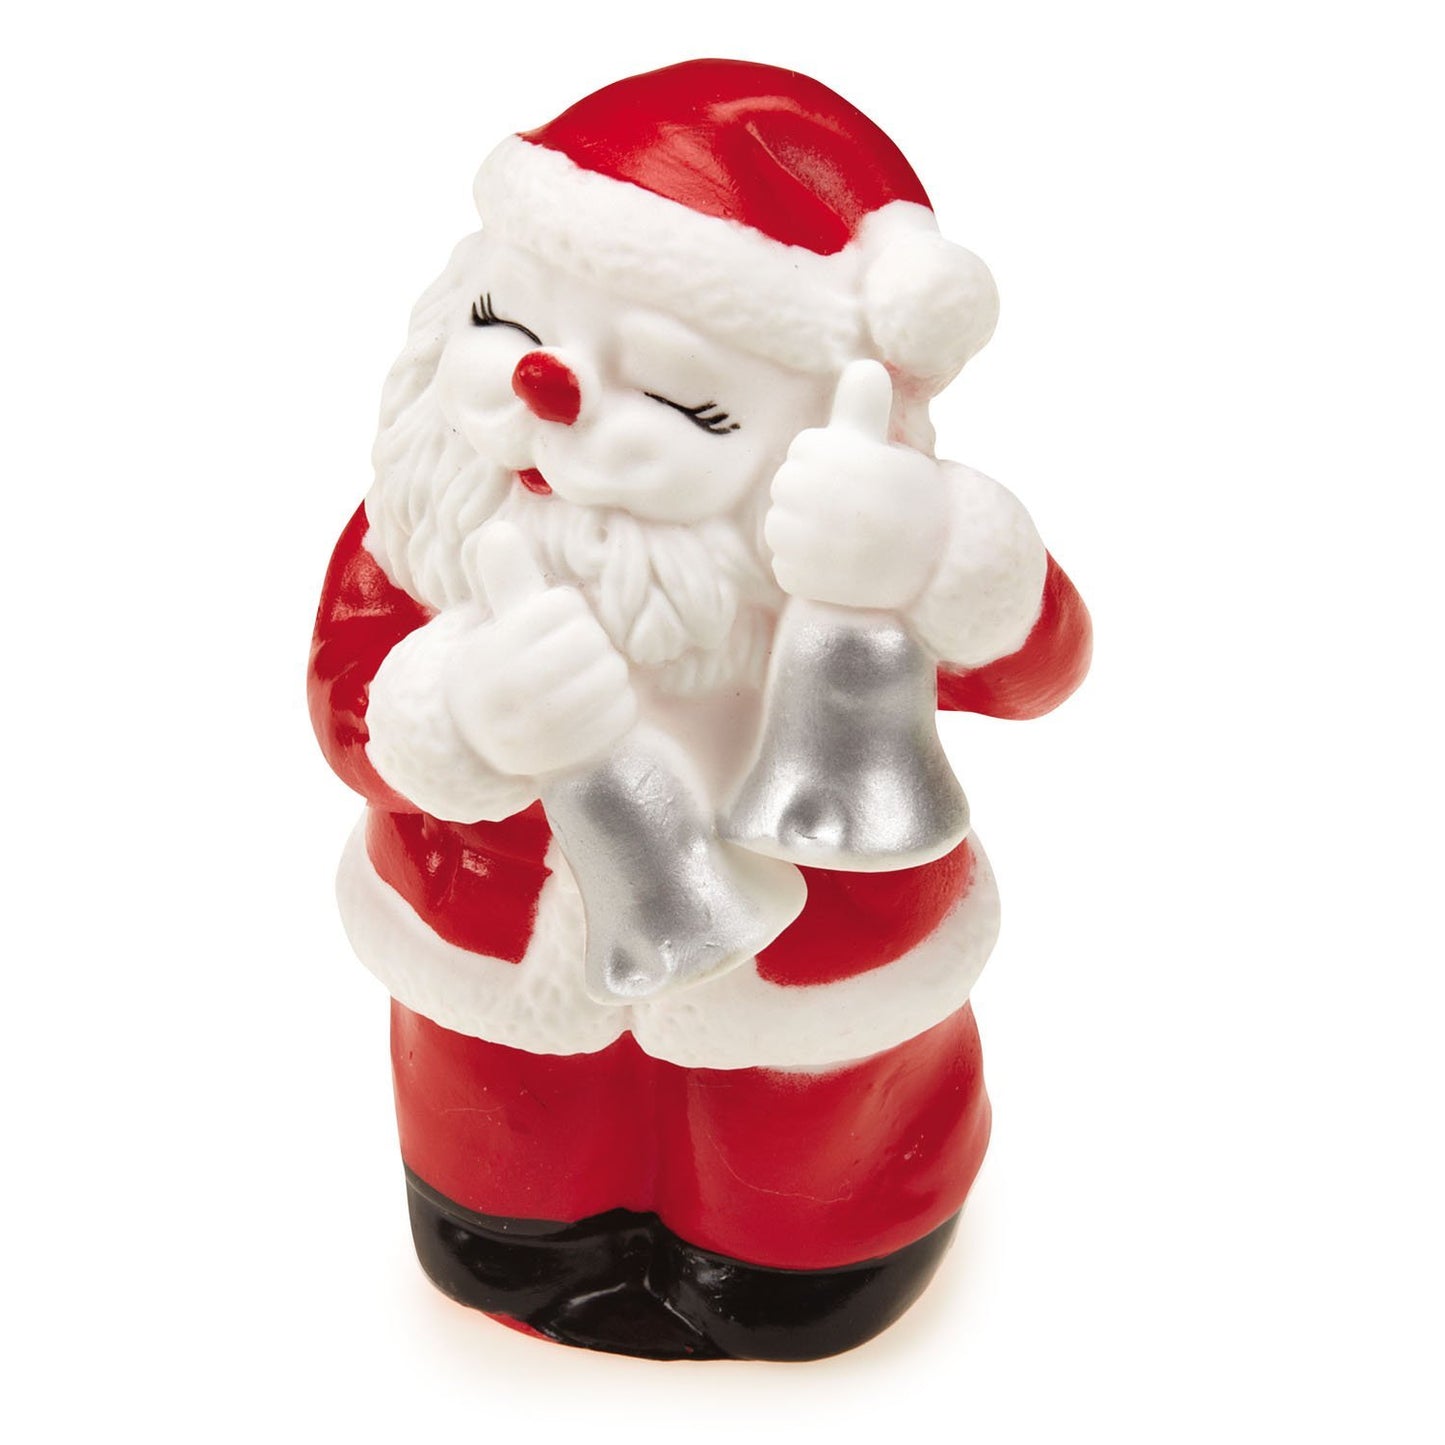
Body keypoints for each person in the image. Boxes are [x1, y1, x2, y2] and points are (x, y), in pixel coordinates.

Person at [309, 58, 1091, 1361]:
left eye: (681, 397)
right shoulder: (429, 517)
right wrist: (462, 717)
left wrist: (933, 552)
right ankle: (523, 1231)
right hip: (495, 940)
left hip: (804, 961)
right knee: (505, 1133)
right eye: (501, 319)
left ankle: (798, 1256)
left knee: (804, 1156)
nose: (547, 390)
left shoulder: (849, 548)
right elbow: (349, 692)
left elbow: (1034, 670)